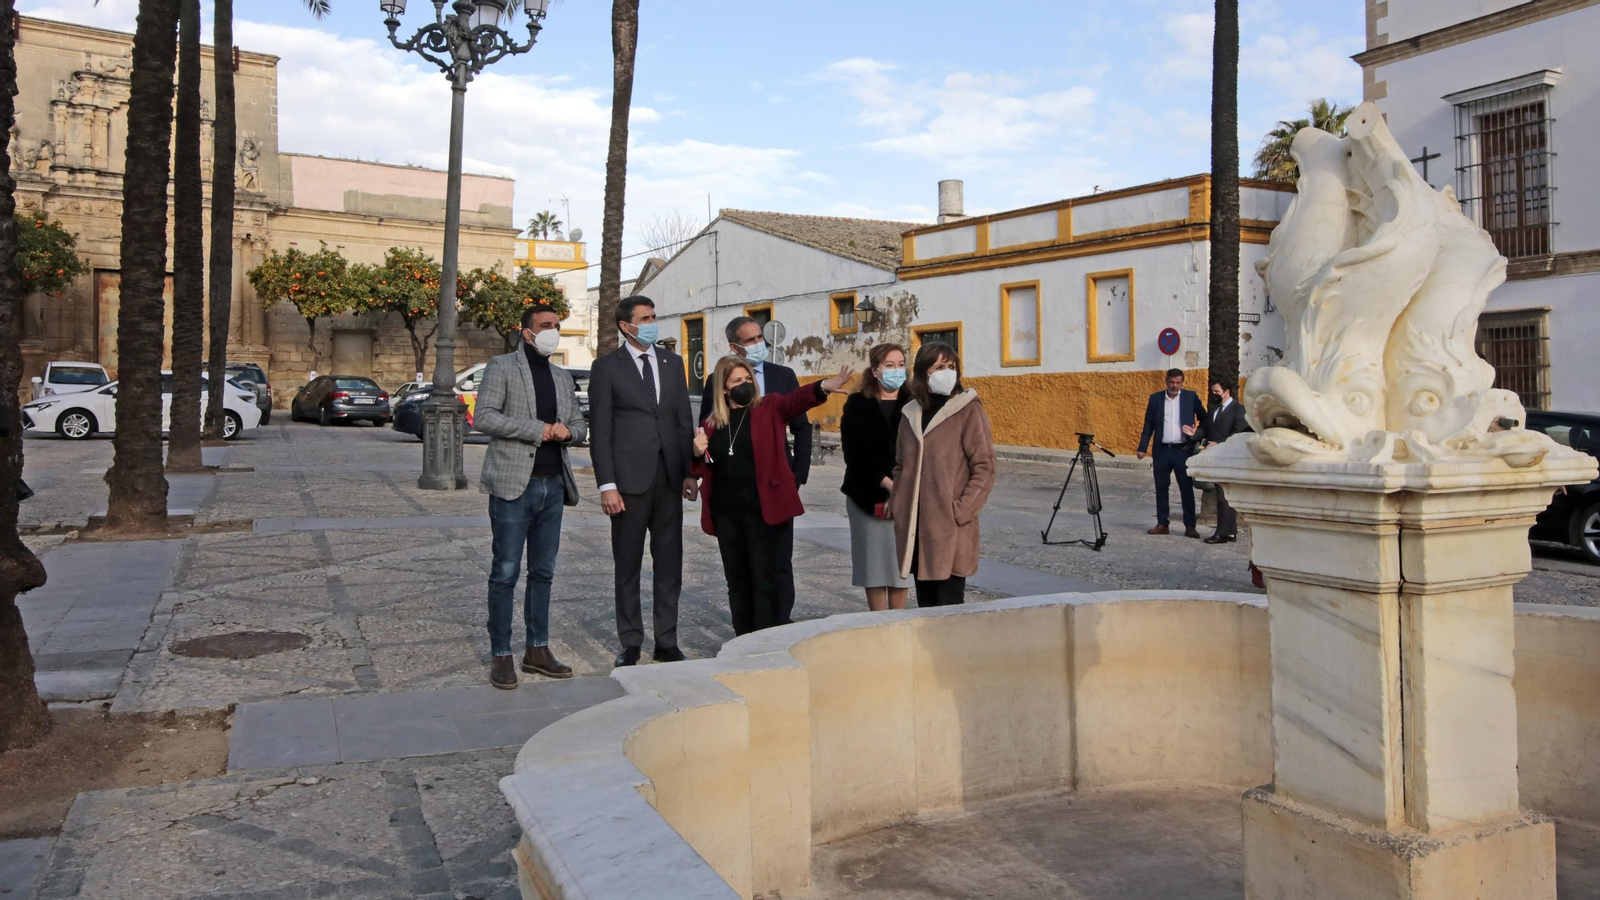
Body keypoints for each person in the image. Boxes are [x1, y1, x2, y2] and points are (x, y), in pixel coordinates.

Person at [691, 357, 855, 634]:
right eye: (737, 381)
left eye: (747, 379)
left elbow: (796, 401)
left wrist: (824, 386)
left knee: (765, 580)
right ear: (723, 389)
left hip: (764, 512)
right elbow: (702, 465)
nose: (744, 384)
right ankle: (742, 639)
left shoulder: (769, 407)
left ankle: (766, 638)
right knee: (737, 581)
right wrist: (696, 452)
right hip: (727, 515)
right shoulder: (711, 423)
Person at [474, 304, 588, 689]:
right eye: (545, 325)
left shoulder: (561, 376)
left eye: (557, 325)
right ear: (527, 332)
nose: (553, 331)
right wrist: (537, 429)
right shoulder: (502, 366)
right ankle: (501, 653)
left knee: (543, 572)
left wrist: (568, 433)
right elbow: (484, 417)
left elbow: (578, 425)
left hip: (553, 484)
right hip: (513, 484)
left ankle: (537, 650)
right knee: (505, 571)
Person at [589, 295, 697, 667]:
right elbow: (601, 430)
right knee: (628, 566)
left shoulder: (672, 363)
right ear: (626, 326)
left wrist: (688, 471)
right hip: (628, 484)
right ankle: (631, 641)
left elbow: (683, 421)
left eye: (653, 316)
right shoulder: (607, 367)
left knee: (669, 564)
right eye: (645, 318)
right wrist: (607, 485)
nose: (652, 323)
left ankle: (667, 641)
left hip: (669, 479)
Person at [699, 315, 811, 625]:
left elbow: (800, 423)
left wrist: (798, 474)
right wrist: (697, 458)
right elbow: (707, 431)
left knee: (777, 565)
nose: (758, 343)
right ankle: (749, 631)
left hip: (774, 488)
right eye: (750, 340)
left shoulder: (782, 377)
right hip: (732, 500)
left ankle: (779, 622)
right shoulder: (715, 381)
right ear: (735, 346)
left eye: (760, 337)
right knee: (742, 573)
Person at [889, 342, 996, 607]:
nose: (947, 372)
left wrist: (961, 511)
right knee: (925, 609)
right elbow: (901, 464)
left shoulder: (967, 409)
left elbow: (985, 466)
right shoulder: (910, 413)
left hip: (949, 529)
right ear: (923, 373)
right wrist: (900, 503)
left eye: (951, 366)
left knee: (949, 612)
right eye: (939, 367)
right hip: (917, 529)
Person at [840, 343, 912, 610]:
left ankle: (898, 621)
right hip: (866, 495)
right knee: (874, 565)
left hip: (906, 496)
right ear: (875, 370)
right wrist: (888, 484)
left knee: (900, 565)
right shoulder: (858, 404)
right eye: (889, 365)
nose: (896, 370)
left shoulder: (915, 404)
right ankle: (878, 621)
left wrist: (902, 489)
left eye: (901, 364)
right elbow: (854, 453)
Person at [1136, 368, 1207, 538]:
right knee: (1161, 488)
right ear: (1166, 381)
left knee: (1186, 488)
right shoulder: (1156, 399)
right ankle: (1162, 523)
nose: (1175, 386)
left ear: (1182, 382)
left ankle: (1190, 526)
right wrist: (1142, 447)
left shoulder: (1190, 397)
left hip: (1183, 450)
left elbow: (1205, 419)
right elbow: (1148, 424)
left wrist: (1196, 435)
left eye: (1178, 382)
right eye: (1172, 382)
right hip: (1162, 450)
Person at [1202, 379, 1252, 544]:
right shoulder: (1215, 409)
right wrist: (1194, 433)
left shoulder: (1239, 409)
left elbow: (1239, 433)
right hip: (1217, 457)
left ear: (1226, 392)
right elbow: (1207, 429)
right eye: (1213, 392)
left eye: (1217, 392)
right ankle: (1230, 531)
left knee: (1224, 496)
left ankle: (1222, 532)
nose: (1214, 395)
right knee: (1223, 494)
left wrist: (1219, 443)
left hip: (1230, 456)